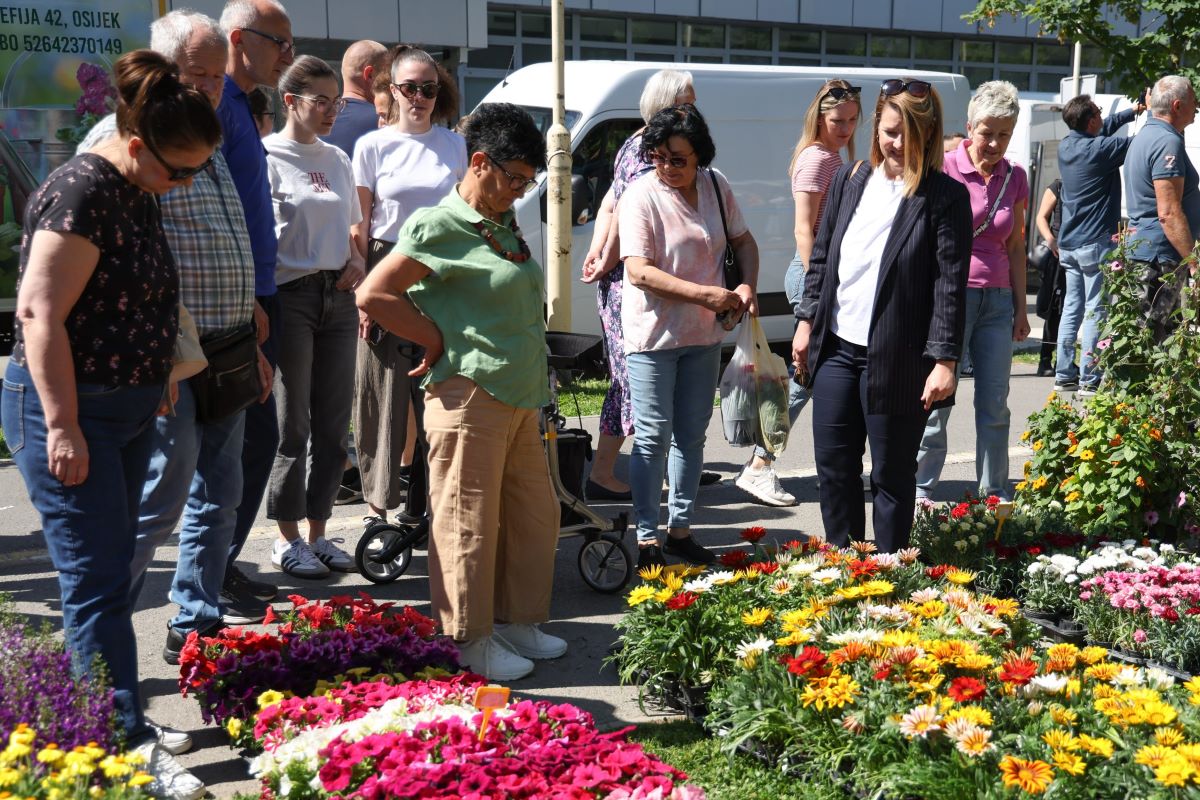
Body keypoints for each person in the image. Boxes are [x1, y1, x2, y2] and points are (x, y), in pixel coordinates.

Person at [2, 49, 221, 800]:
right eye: (179, 171)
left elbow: (132, 297)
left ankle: (98, 714)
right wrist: (63, 427)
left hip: (123, 407)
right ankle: (116, 745)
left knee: (109, 573)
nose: (185, 184)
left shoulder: (135, 186)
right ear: (134, 144)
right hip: (71, 413)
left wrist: (155, 373)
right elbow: (40, 314)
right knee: (97, 582)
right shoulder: (82, 193)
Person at [78, 10, 273, 656]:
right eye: (198, 75)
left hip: (227, 344)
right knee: (162, 492)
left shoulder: (203, 135)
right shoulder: (122, 139)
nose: (210, 89)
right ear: (162, 70)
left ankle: (195, 622)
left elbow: (224, 230)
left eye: (218, 78)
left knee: (221, 490)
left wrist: (249, 313)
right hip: (169, 352)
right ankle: (101, 623)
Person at [357, 102, 565, 683]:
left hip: (521, 394)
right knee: (464, 521)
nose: (523, 192)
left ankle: (520, 621)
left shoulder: (500, 223)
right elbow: (374, 294)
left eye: (530, 181)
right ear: (480, 163)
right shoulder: (438, 223)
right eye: (516, 178)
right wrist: (432, 337)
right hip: (468, 394)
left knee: (534, 516)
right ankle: (468, 640)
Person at [793, 78, 971, 553]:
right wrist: (807, 321)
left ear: (929, 138)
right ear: (876, 126)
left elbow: (949, 286)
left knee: (891, 476)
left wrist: (945, 362)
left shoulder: (945, 197)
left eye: (909, 136)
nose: (897, 144)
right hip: (836, 350)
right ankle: (847, 568)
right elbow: (823, 258)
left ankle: (890, 576)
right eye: (890, 132)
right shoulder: (851, 179)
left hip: (899, 357)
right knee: (833, 467)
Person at [618, 103, 758, 569]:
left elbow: (744, 241)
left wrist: (745, 287)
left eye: (677, 158)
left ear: (700, 156)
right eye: (658, 156)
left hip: (703, 335)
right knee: (653, 437)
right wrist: (706, 295)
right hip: (654, 337)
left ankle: (680, 530)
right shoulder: (641, 195)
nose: (667, 167)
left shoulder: (716, 186)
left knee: (692, 437)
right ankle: (645, 537)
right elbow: (638, 272)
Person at [351, 45, 465, 532]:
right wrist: (364, 289)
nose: (419, 97)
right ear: (392, 91)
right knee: (381, 394)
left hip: (442, 272)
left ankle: (431, 507)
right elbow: (359, 226)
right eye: (410, 88)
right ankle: (378, 512)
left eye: (429, 88)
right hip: (386, 266)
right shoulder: (372, 146)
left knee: (439, 391)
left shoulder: (455, 145)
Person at [734, 78, 861, 507]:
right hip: (813, 277)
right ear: (819, 118)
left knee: (820, 375)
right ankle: (759, 465)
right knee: (805, 377)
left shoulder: (833, 156)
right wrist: (819, 283)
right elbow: (803, 230)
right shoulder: (817, 159)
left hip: (827, 276)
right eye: (836, 120)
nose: (844, 129)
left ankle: (826, 465)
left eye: (851, 121)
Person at [265, 56, 364, 576]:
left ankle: (320, 532)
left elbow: (352, 228)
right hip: (292, 296)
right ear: (291, 102)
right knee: (292, 422)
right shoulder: (267, 156)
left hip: (339, 296)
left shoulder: (338, 158)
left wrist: (357, 259)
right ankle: (285, 537)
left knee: (332, 423)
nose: (330, 111)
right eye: (320, 101)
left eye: (336, 102)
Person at [579, 69, 696, 503]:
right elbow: (622, 211)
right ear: (666, 106)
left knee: (631, 380)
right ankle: (613, 473)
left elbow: (608, 202)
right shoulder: (650, 152)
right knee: (638, 379)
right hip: (634, 283)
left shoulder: (635, 142)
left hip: (626, 278)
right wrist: (604, 258)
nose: (693, 110)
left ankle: (643, 470)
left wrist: (597, 253)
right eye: (686, 102)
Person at [915, 81, 1030, 502]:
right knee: (938, 398)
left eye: (1004, 133)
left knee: (995, 402)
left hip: (997, 300)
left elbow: (1015, 244)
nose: (995, 142)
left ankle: (994, 492)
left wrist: (1021, 308)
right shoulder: (942, 168)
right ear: (969, 127)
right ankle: (921, 490)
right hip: (950, 297)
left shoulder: (1016, 176)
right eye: (987, 132)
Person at [217, 0, 296, 584]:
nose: (288, 55)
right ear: (240, 39)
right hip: (240, 301)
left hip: (258, 294)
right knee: (244, 438)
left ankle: (218, 563)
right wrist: (246, 298)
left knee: (252, 437)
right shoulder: (216, 101)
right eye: (279, 42)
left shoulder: (242, 105)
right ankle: (210, 570)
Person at [1054, 92, 1143, 392]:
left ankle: (1064, 373)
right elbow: (1142, 142)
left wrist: (1131, 112)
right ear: (1091, 120)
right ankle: (1089, 378)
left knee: (1072, 307)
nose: (1103, 116)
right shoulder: (1101, 149)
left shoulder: (1067, 146)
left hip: (1068, 243)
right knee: (1096, 310)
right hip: (1095, 243)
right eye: (1099, 113)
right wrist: (1153, 112)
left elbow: (1100, 132)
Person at [1124, 75, 1200, 344]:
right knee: (1152, 342)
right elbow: (1168, 213)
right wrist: (1194, 265)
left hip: (1147, 252)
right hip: (1160, 258)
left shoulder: (1146, 135)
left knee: (1143, 338)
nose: (1198, 106)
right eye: (1194, 100)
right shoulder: (1168, 142)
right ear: (1178, 106)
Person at [321, 39, 387, 158]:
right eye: (388, 74)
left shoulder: (315, 121)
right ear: (370, 74)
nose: (392, 83)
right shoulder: (386, 121)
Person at [1033, 178, 1065, 376]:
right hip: (1056, 257)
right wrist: (1051, 241)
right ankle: (1045, 359)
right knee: (1054, 310)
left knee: (1069, 310)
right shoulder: (1058, 185)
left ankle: (1064, 361)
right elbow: (1041, 217)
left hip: (1076, 253)